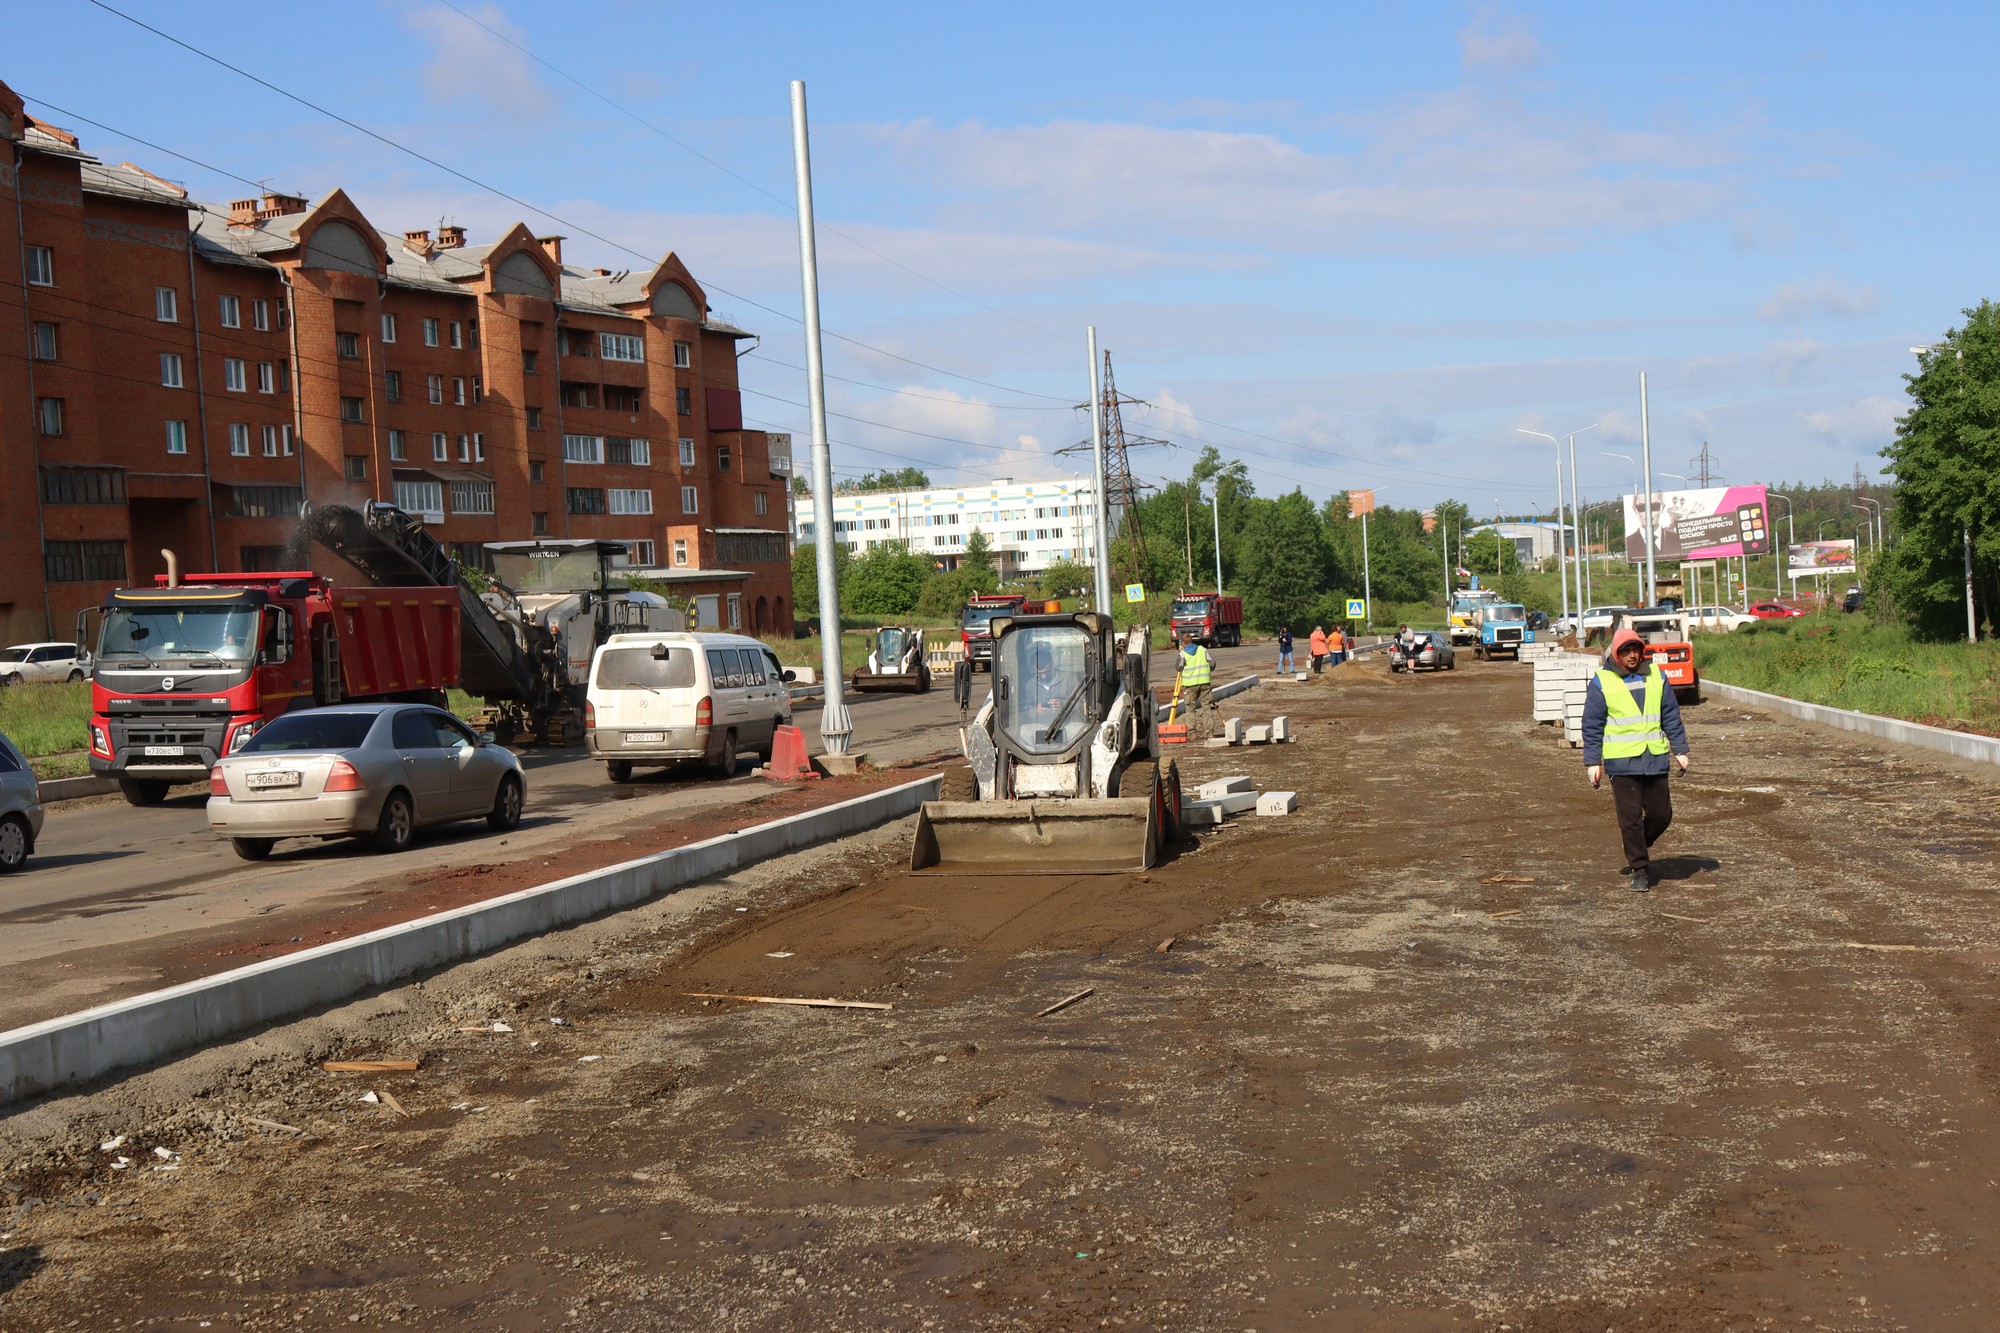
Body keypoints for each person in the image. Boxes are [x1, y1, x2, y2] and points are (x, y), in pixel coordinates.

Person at [1582, 627, 1692, 893]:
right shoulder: (1601, 681)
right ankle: (1640, 868)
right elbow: (1592, 724)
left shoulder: (1657, 676)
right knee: (1630, 819)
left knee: (1661, 815)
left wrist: (1680, 749)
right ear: (1617, 653)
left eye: (1635, 650)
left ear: (1642, 651)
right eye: (1626, 651)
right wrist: (1592, 762)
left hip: (1654, 758)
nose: (1632, 655)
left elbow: (1671, 716)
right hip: (1622, 763)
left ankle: (1637, 843)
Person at [1178, 636, 1216, 740]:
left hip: (1190, 685)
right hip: (1204, 683)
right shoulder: (1202, 650)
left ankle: (1192, 734)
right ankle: (1209, 733)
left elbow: (1178, 667)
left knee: (1190, 709)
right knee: (1206, 707)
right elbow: (1212, 664)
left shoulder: (1183, 654)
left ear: (1183, 643)